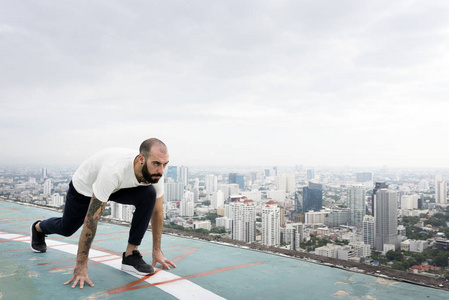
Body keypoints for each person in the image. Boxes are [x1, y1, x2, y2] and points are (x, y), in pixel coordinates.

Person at [30, 138, 176, 289]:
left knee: (149, 195)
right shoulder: (114, 171)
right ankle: (38, 228)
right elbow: (91, 220)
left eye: (165, 164)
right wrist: (81, 266)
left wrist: (157, 250)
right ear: (141, 159)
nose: (161, 170)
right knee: (67, 228)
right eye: (157, 164)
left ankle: (130, 255)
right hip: (85, 188)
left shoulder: (155, 173)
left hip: (118, 187)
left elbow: (157, 211)